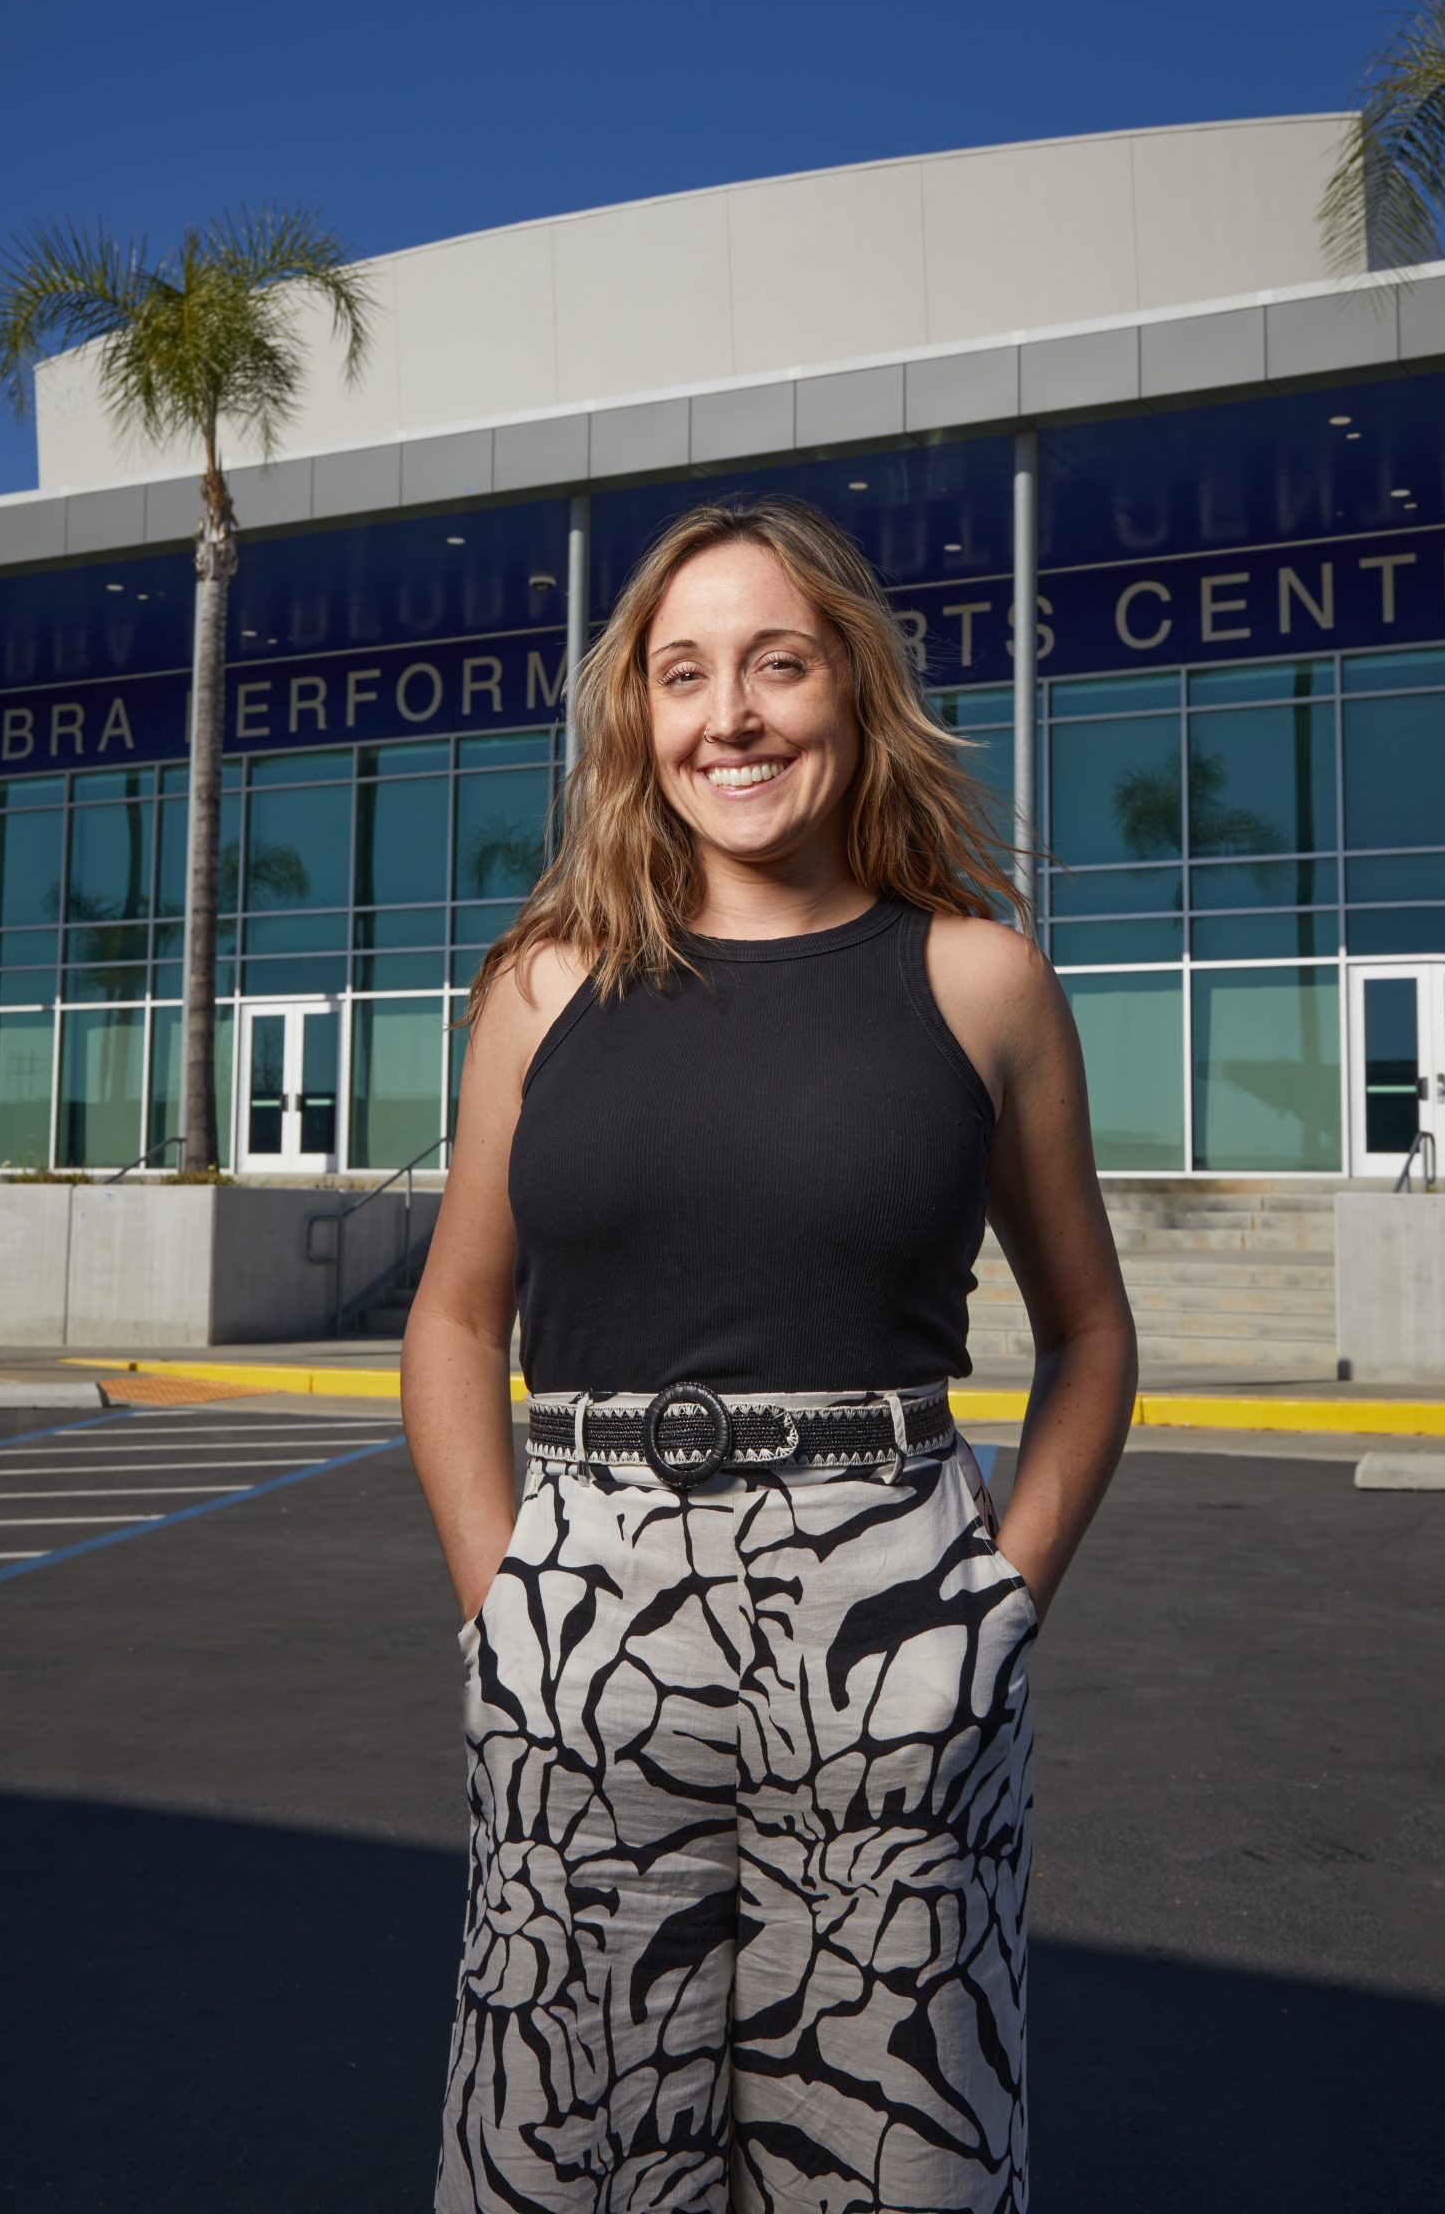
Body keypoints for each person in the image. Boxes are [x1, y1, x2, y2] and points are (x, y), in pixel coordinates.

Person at [401, 494, 1137, 2214]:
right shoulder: (542, 988)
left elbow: (1092, 1332)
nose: (729, 715)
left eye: (777, 664)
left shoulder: (982, 982)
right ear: (638, 719)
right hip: (581, 1623)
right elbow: (453, 1316)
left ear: (854, 690)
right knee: (564, 2161)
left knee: (893, 2160)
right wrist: (504, 1610)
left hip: (892, 1624)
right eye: (684, 674)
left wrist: (995, 1608)